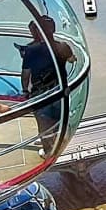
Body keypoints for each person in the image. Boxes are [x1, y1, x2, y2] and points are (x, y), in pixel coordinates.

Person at [20, 16, 76, 157]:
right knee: (58, 120)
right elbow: (72, 59)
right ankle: (58, 142)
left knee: (43, 124)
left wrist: (25, 91)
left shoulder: (31, 50)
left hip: (41, 95)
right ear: (53, 30)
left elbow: (25, 75)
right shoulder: (62, 46)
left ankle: (47, 151)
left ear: (37, 32)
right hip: (59, 92)